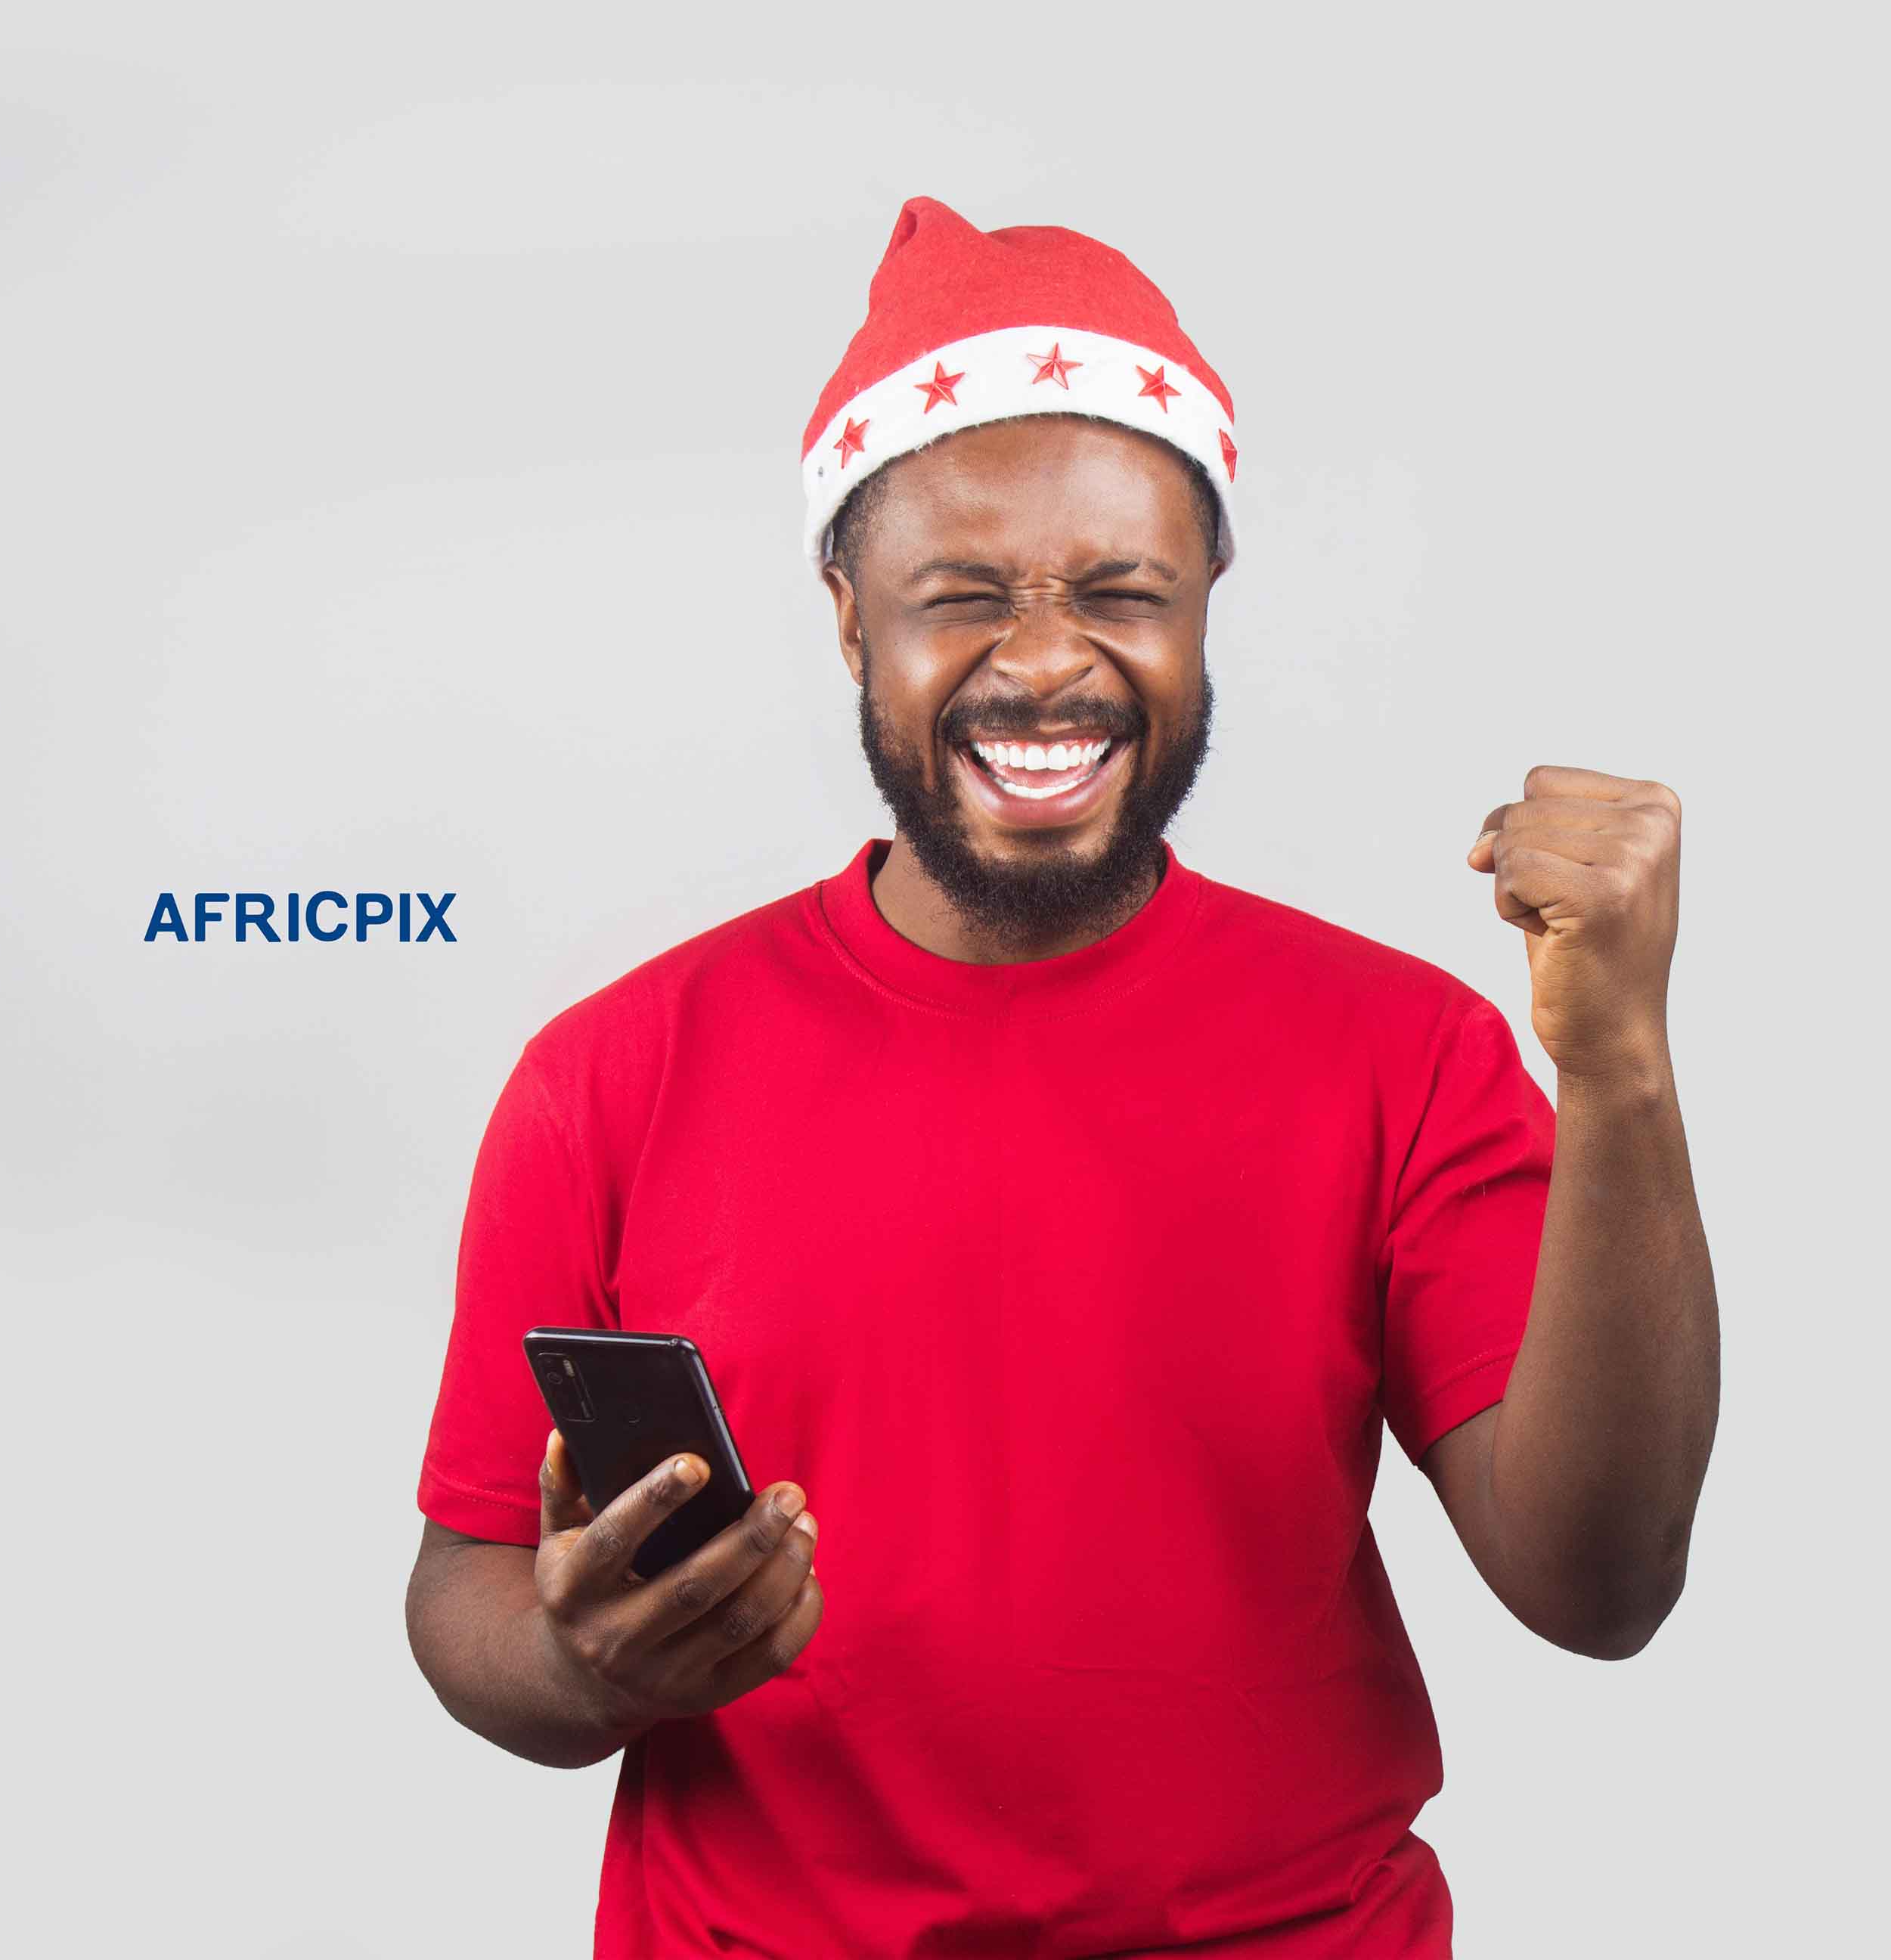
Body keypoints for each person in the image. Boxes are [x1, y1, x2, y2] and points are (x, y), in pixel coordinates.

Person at [405, 194, 1719, 1958]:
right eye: (962, 596)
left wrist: (1621, 1074)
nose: (1043, 660)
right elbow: (463, 1590)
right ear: (848, 615)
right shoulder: (611, 1075)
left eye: (1121, 591)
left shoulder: (1403, 1053)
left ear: (1205, 606)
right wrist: (578, 1658)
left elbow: (1600, 1588)